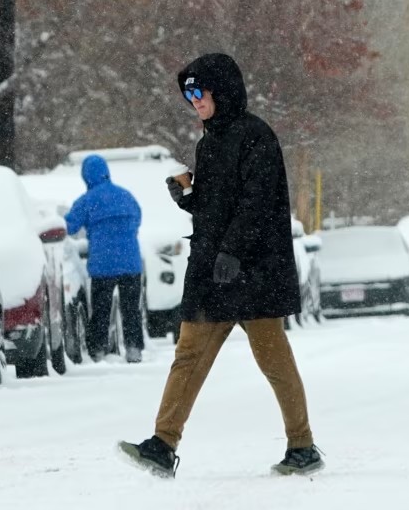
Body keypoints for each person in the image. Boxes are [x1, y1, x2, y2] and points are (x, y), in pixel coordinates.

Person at [119, 53, 322, 477]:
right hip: (215, 271)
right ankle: (162, 443)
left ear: (222, 90)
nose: (193, 100)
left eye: (200, 91)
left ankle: (302, 446)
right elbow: (217, 206)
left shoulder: (256, 137)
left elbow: (258, 204)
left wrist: (233, 251)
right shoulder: (209, 142)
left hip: (254, 271)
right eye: (188, 93)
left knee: (274, 359)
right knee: (188, 354)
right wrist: (189, 198)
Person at [65, 155, 145, 363]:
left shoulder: (87, 201)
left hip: (103, 264)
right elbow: (137, 218)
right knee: (131, 309)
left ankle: (98, 350)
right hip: (130, 262)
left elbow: (70, 226)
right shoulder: (125, 195)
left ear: (86, 176)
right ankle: (134, 348)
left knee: (101, 309)